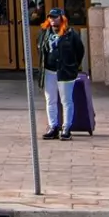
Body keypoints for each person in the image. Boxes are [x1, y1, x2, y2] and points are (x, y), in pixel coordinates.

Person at [39, 8, 86, 140]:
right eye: (50, 17)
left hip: (65, 71)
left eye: (55, 17)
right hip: (49, 70)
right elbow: (41, 50)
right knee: (50, 99)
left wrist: (73, 66)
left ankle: (66, 127)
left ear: (62, 18)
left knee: (66, 100)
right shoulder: (45, 32)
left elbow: (80, 51)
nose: (53, 20)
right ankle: (53, 126)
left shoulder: (71, 34)